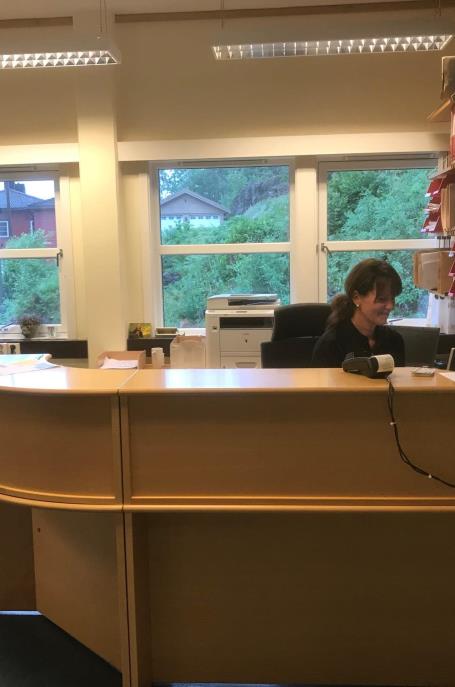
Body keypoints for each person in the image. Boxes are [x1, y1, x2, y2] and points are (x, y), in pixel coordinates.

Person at [312, 258, 405, 368]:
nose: (390, 306)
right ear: (356, 297)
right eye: (382, 299)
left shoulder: (394, 341)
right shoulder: (331, 344)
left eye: (392, 299)